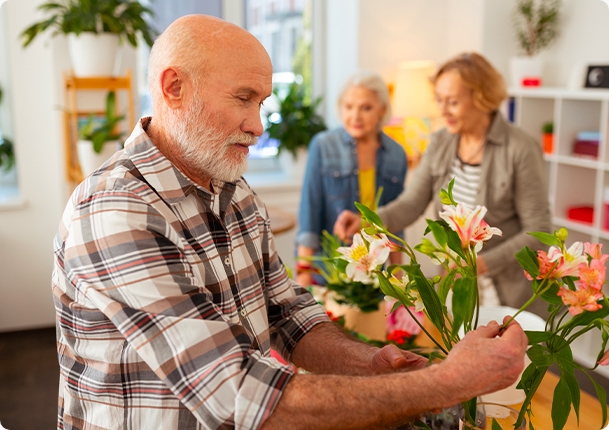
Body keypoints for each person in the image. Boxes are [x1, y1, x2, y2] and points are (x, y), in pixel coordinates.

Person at [52, 17, 528, 430]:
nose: (258, 125)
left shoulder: (232, 189)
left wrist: (372, 363)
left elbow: (288, 314)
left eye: (261, 102)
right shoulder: (117, 209)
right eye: (244, 99)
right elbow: (241, 396)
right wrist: (446, 381)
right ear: (175, 88)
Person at [335, 52, 552, 316]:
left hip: (510, 292)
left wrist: (482, 264)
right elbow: (411, 204)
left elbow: (538, 231)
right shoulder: (440, 143)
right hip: (459, 288)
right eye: (439, 99)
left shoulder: (520, 148)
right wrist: (367, 221)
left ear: (481, 98)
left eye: (453, 102)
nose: (442, 110)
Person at [295, 71, 407, 289]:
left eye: (366, 108)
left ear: (382, 110)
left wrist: (398, 279)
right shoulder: (323, 146)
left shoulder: (397, 154)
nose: (355, 116)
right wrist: (303, 277)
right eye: (348, 107)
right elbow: (310, 214)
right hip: (329, 273)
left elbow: (396, 221)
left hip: (376, 273)